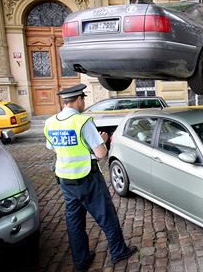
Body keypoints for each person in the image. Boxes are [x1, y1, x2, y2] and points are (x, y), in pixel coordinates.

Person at [44, 84, 137, 272]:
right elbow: (101, 154)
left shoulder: (50, 122)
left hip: (65, 179)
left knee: (74, 221)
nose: (83, 103)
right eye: (83, 100)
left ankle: (81, 260)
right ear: (78, 100)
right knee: (106, 215)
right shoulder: (83, 122)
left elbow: (53, 147)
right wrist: (102, 140)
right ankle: (118, 251)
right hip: (87, 178)